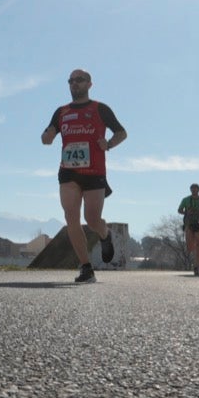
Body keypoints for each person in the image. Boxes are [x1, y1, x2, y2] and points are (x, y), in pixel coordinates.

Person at [41, 70, 126, 283]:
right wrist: (48, 136)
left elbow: (121, 132)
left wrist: (109, 144)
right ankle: (86, 267)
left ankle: (104, 234)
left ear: (89, 84)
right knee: (71, 217)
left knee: (92, 218)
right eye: (70, 81)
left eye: (79, 80)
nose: (74, 84)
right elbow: (48, 135)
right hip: (68, 171)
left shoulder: (100, 108)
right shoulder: (61, 112)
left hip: (94, 171)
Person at [177, 183, 199, 276]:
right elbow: (179, 210)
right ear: (190, 190)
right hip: (189, 223)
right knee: (189, 247)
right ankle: (198, 249)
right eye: (192, 189)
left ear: (198, 190)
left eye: (195, 189)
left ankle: (196, 266)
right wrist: (186, 212)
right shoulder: (185, 200)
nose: (194, 191)